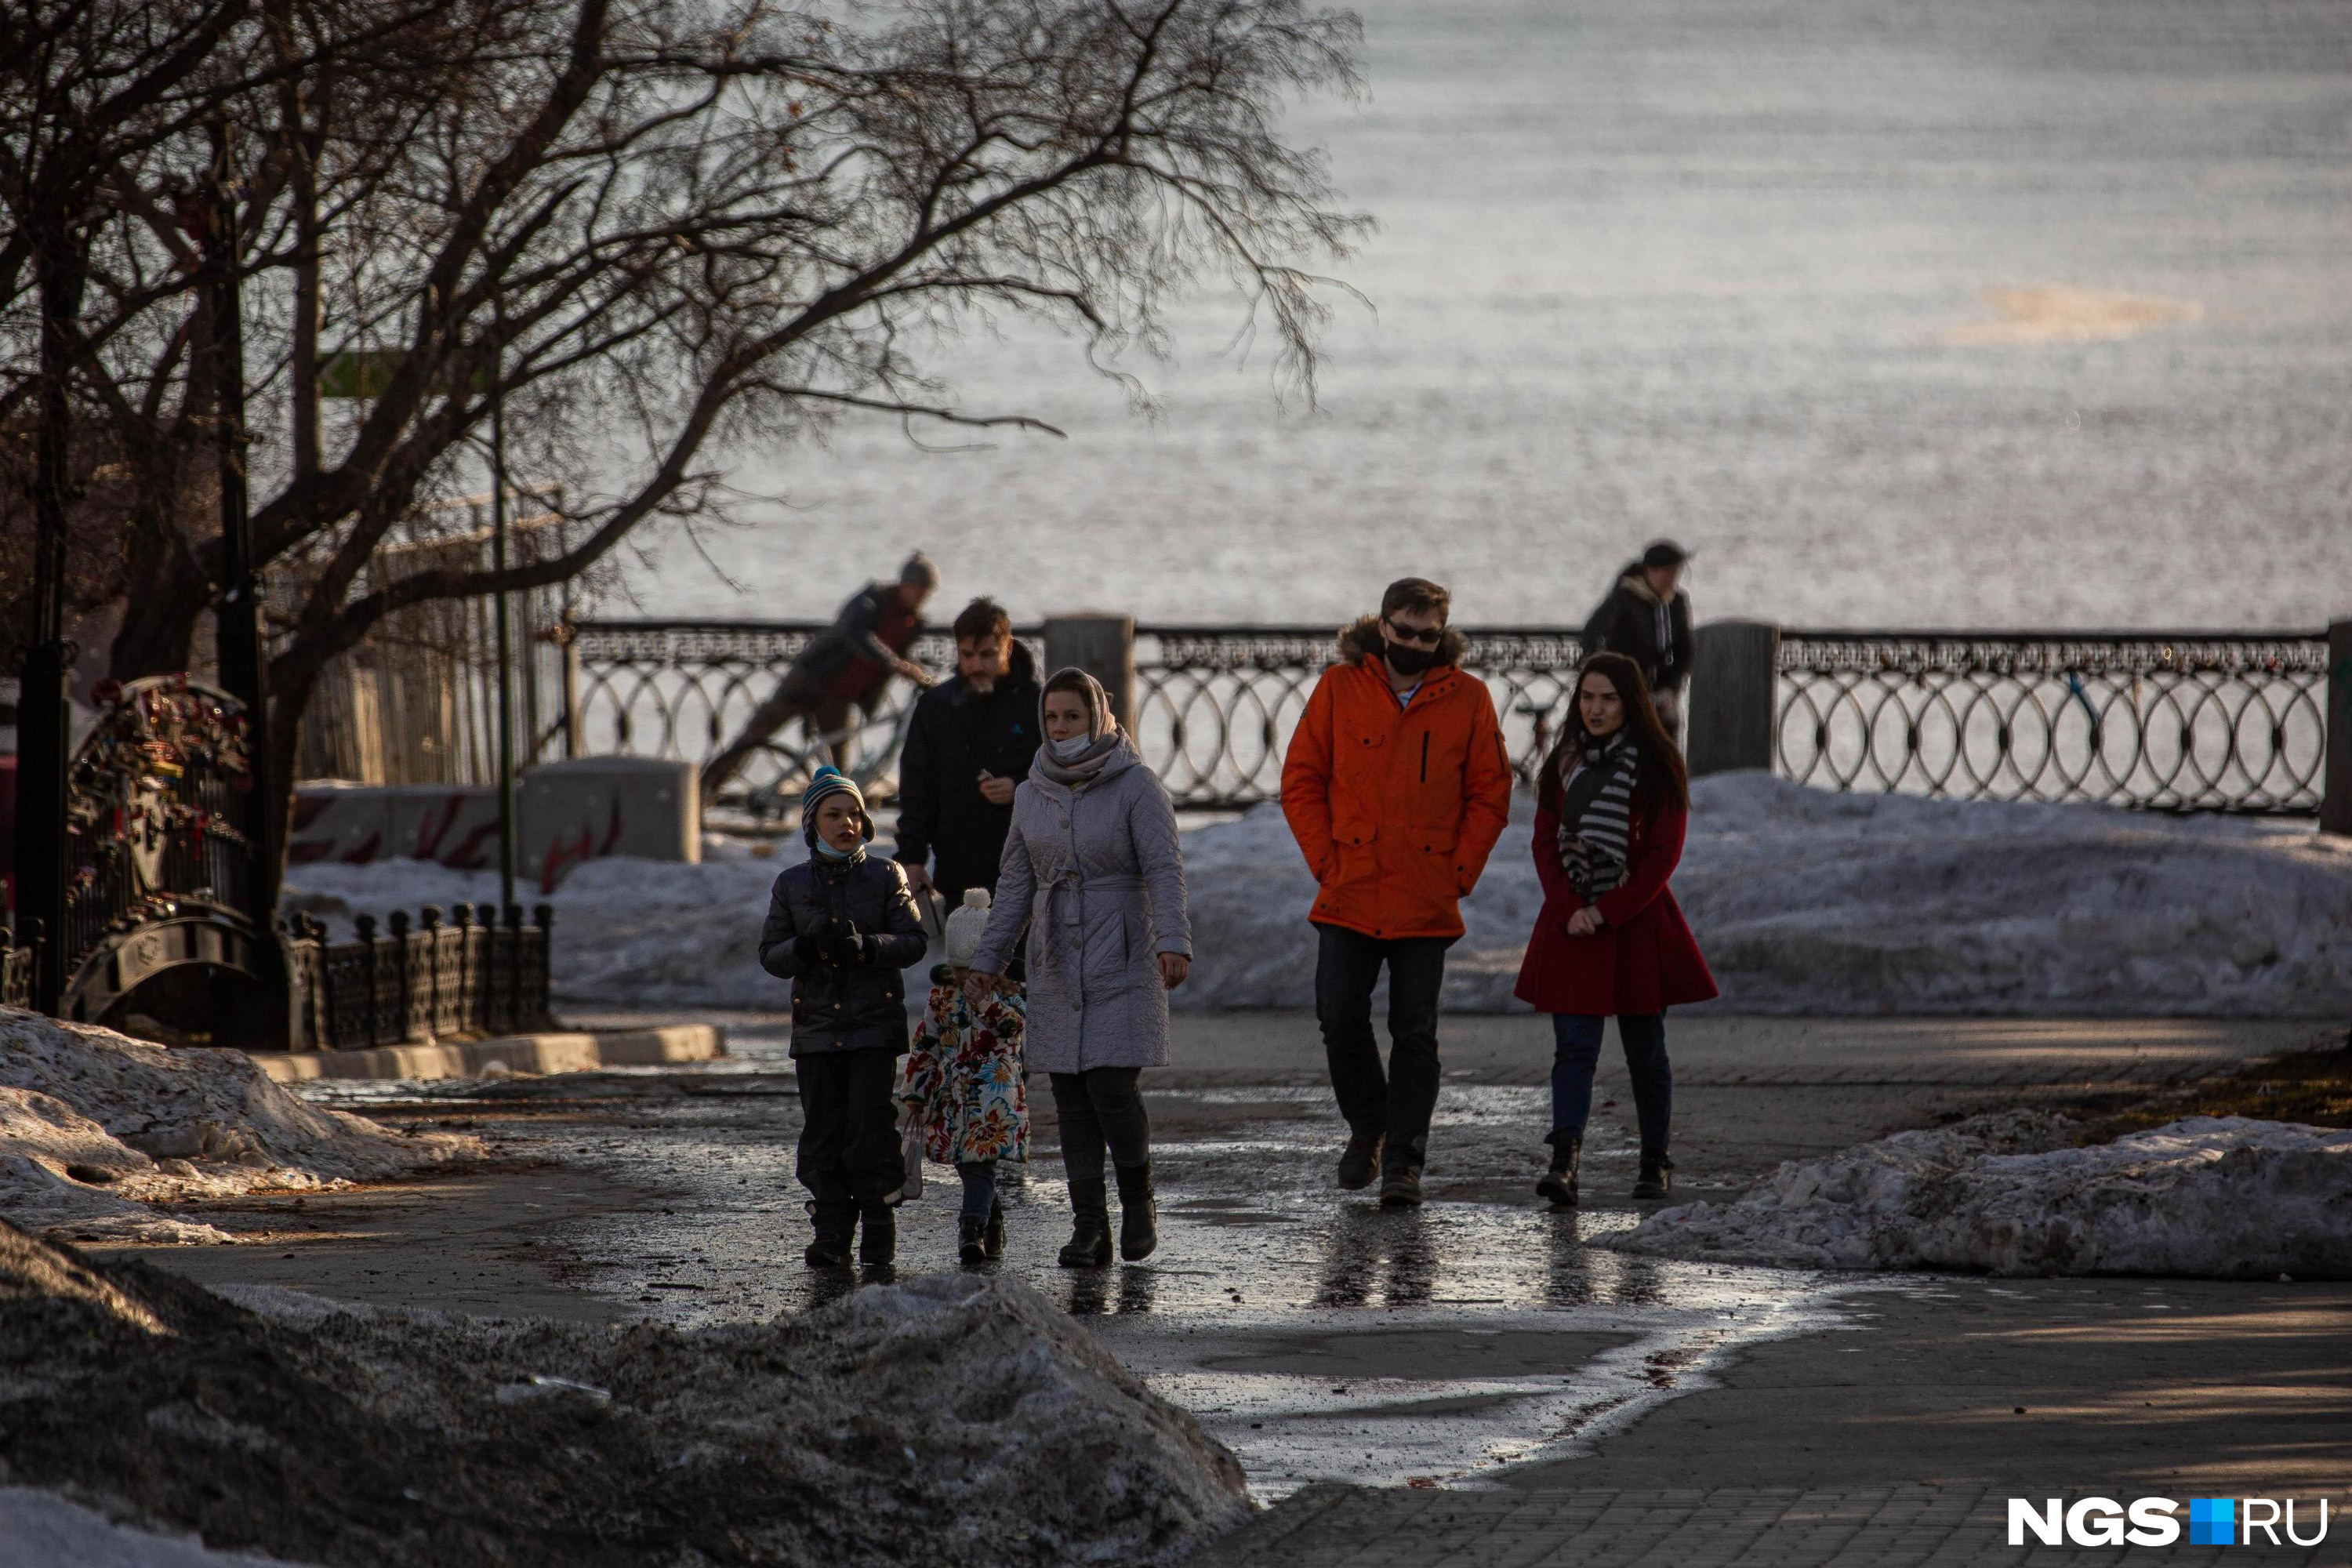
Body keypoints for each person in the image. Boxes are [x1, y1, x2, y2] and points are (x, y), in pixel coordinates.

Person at [1280, 577, 1514, 1208]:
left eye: (1426, 635)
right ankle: (1369, 1126)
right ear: (1380, 626)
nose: (1412, 643)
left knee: (1415, 1034)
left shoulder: (1469, 699)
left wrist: (1458, 873)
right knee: (1338, 1015)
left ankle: (1404, 1164)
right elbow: (1301, 779)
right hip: (1349, 887)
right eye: (1402, 631)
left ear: (1442, 636)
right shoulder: (1338, 688)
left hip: (1426, 895)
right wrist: (1326, 861)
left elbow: (1491, 793)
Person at [964, 668, 1192, 1268]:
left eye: (1074, 716)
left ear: (1098, 716)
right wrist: (987, 962)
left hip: (1123, 947)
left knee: (1112, 1087)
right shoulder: (1033, 788)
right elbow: (1015, 882)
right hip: (1056, 955)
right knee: (1068, 1091)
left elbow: (1165, 870)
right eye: (1053, 717)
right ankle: (1090, 1225)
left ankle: (1137, 1200)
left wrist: (1174, 940)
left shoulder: (1137, 784)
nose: (1062, 727)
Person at [1513, 651, 1716, 1206]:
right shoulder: (1563, 762)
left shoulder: (1657, 765)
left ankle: (1656, 1160)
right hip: (1572, 922)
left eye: (1608, 698)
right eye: (1587, 698)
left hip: (1635, 925)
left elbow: (1661, 857)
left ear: (1630, 703)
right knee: (1573, 1049)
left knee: (1646, 1051)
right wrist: (1569, 907)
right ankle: (1565, 1162)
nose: (1596, 709)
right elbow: (1544, 840)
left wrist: (1607, 911)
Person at [757, 766, 928, 1266]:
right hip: (814, 1031)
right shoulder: (791, 884)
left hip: (873, 1027)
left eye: (854, 813)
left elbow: (914, 941)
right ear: (813, 824)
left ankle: (879, 1223)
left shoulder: (885, 875)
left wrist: (868, 947)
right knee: (823, 1129)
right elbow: (771, 954)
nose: (846, 823)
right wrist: (806, 948)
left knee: (871, 1126)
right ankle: (831, 1228)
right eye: (834, 815)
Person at [702, 554, 939, 806]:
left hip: (840, 696)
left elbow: (904, 656)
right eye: (919, 591)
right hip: (809, 679)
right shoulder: (871, 600)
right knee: (756, 734)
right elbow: (856, 633)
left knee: (840, 766)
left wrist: (922, 677)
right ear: (904, 585)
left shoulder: (913, 622)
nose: (922, 599)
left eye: (927, 594)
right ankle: (703, 790)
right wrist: (892, 663)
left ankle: (838, 817)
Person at [902, 887, 1028, 1265]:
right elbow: (927, 1043)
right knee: (969, 1163)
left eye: (972, 970)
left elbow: (1013, 1029)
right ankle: (993, 1220)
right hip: (952, 1095)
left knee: (979, 1161)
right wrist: (916, 1091)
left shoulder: (1009, 994)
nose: (965, 979)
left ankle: (969, 1229)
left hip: (995, 1094)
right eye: (958, 969)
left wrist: (985, 1002)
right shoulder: (942, 996)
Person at [893, 597, 1044, 909]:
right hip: (957, 871)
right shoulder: (937, 707)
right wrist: (911, 858)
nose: (977, 665)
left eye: (988, 654)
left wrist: (1019, 788)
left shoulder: (1039, 706)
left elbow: (1066, 776)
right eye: (968, 655)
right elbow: (917, 788)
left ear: (1008, 649)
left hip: (1028, 870)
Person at [1581, 540, 1695, 731]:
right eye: (1670, 573)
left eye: (1677, 573)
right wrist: (1605, 678)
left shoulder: (1677, 602)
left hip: (1661, 689)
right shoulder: (1625, 597)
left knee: (1668, 733)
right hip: (1626, 688)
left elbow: (1685, 649)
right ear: (1651, 571)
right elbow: (1592, 633)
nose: (1673, 580)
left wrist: (1671, 688)